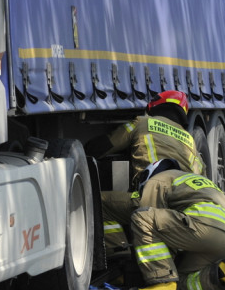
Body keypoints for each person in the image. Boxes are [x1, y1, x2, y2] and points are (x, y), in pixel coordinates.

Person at [117, 159, 225, 290]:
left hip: (205, 228)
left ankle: (162, 283)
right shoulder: (196, 181)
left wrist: (143, 267)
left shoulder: (157, 180)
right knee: (184, 282)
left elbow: (151, 225)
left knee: (141, 217)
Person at [87, 90, 204, 255]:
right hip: (185, 206)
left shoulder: (141, 123)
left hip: (154, 198)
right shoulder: (189, 140)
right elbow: (201, 174)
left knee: (98, 202)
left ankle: (118, 252)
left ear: (154, 107)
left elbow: (104, 146)